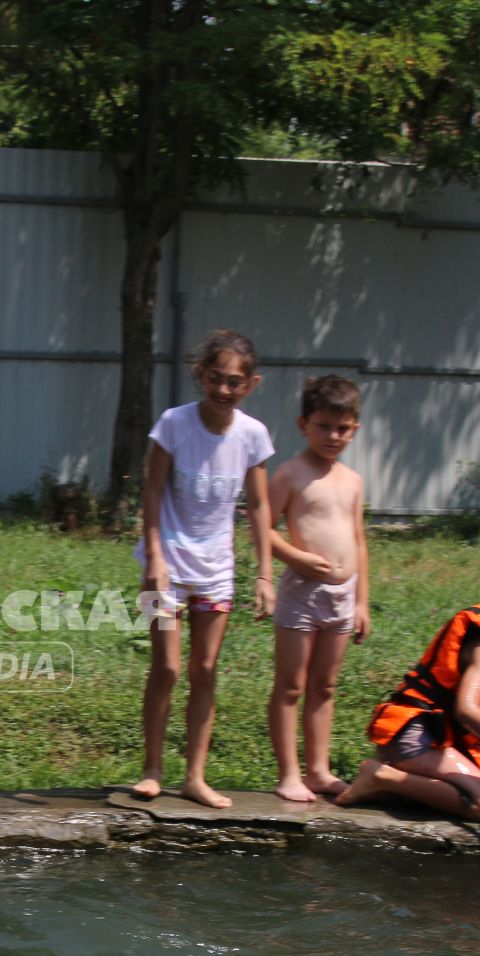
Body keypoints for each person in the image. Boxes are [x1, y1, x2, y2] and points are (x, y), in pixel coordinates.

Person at [132, 330, 275, 809]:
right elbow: (151, 491)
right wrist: (153, 555)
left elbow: (258, 505)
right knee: (168, 667)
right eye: (215, 378)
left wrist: (264, 574)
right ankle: (152, 769)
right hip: (166, 564)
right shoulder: (174, 423)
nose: (223, 389)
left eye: (235, 382)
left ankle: (195, 776)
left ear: (250, 384)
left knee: (206, 669)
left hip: (216, 569)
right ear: (200, 375)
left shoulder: (252, 435)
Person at [337, 559, 480, 819]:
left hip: (448, 739)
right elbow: (467, 709)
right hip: (416, 735)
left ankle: (399, 786)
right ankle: (381, 776)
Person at [266, 374, 370, 802]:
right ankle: (289, 773)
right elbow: (262, 530)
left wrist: (362, 600)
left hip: (343, 596)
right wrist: (295, 557)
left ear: (355, 429)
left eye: (342, 428)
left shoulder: (353, 481)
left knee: (325, 686)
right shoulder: (290, 475)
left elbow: (360, 540)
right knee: (291, 685)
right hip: (302, 594)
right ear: (303, 424)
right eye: (323, 426)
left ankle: (319, 770)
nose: (333, 436)